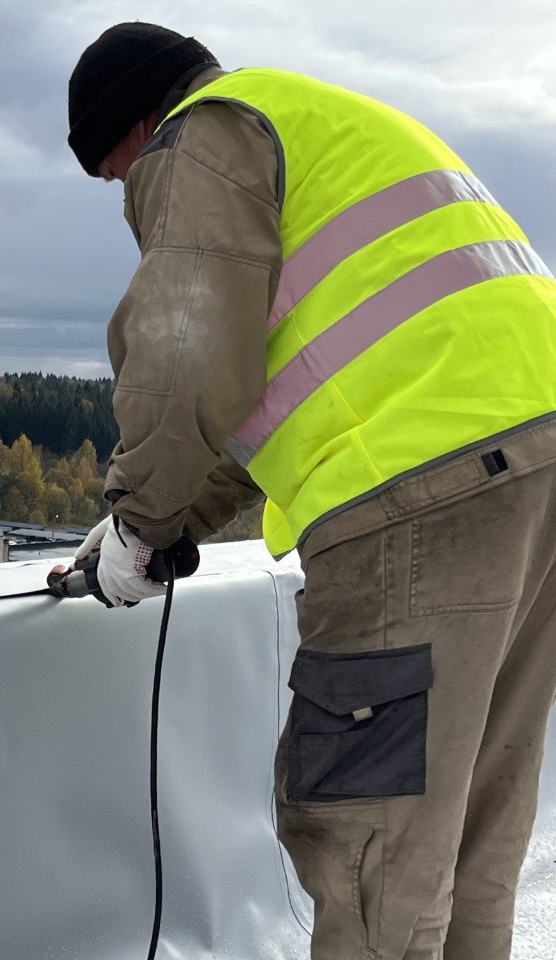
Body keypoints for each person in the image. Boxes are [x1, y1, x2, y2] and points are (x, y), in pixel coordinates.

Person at [66, 21, 556, 960]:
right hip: (530, 464)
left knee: (373, 842)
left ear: (134, 129)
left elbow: (184, 356)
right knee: (469, 827)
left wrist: (141, 520)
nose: (124, 191)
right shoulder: (316, 121)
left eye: (112, 174)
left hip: (419, 494)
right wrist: (154, 522)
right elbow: (263, 400)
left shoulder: (203, 136)